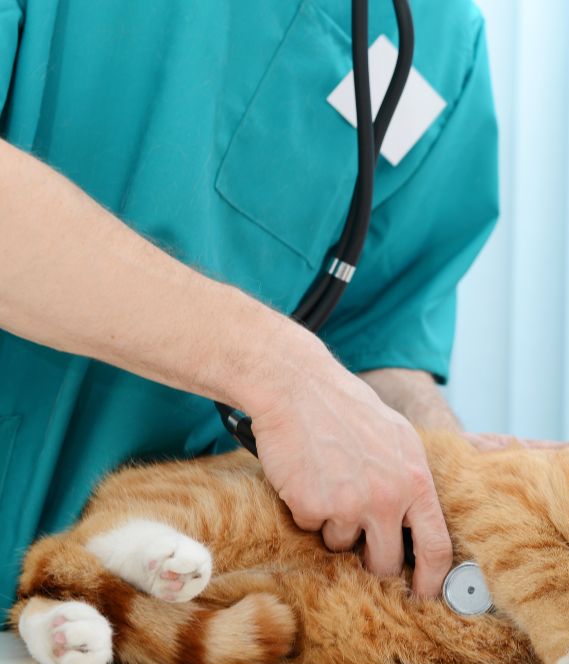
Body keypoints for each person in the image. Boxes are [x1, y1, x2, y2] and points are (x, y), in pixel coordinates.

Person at [0, 0, 498, 611]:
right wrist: (274, 370)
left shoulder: (443, 44)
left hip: (150, 601)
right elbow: (305, 382)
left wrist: (458, 478)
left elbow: (373, 342)